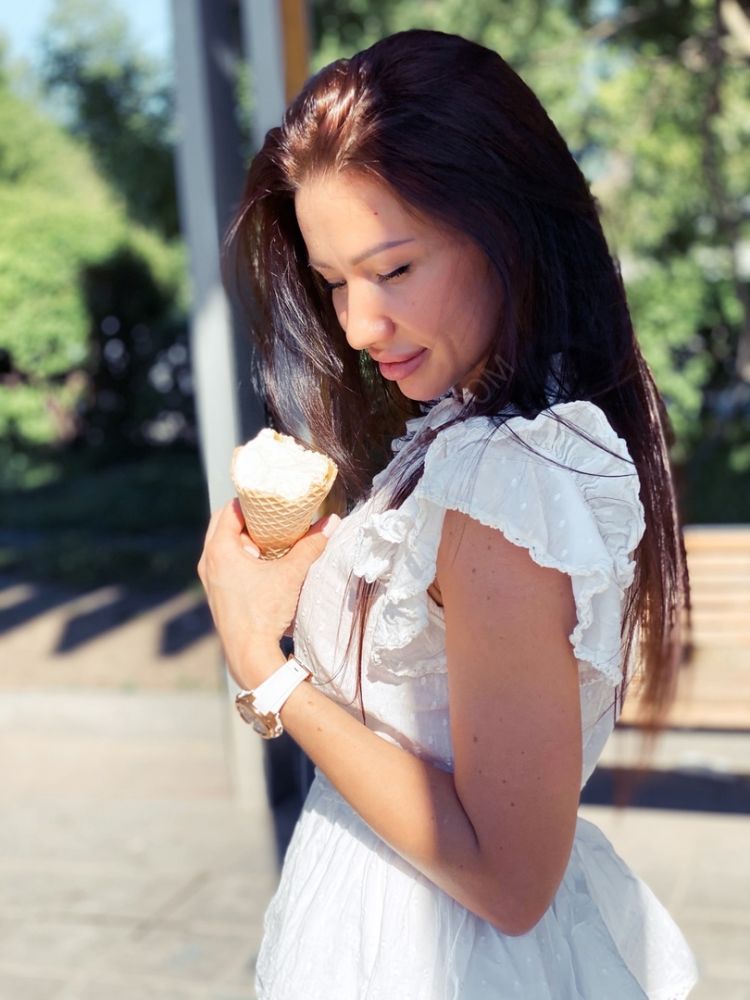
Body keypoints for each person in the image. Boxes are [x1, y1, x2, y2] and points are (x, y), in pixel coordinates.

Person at [198, 28, 699, 999]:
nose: (357, 326)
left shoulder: (508, 480)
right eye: (334, 282)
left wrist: (267, 669)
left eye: (394, 270)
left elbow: (509, 880)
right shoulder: (468, 439)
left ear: (505, 227)